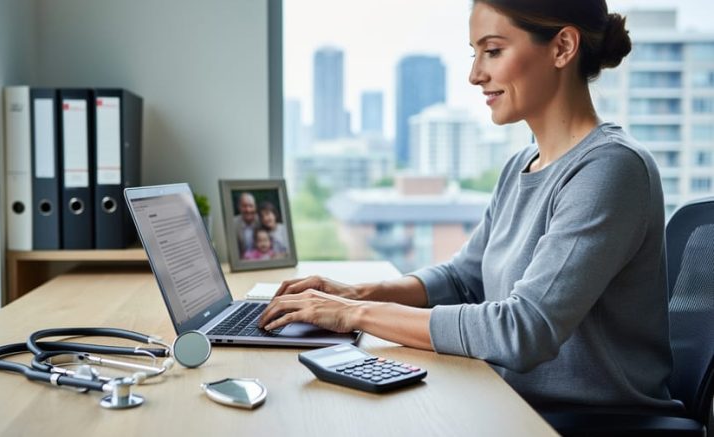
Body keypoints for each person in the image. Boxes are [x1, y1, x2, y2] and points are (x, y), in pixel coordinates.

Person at [259, 0, 682, 410]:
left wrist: (355, 313)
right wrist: (353, 292)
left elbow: (523, 331)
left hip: (586, 423)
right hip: (512, 402)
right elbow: (464, 279)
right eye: (475, 53)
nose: (475, 75)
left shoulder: (611, 169)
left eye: (493, 51)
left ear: (562, 48)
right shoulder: (522, 163)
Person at [233, 192, 259, 256]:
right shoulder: (233, 223)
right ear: (239, 207)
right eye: (244, 206)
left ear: (255, 207)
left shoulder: (262, 221)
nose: (248, 210)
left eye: (251, 206)